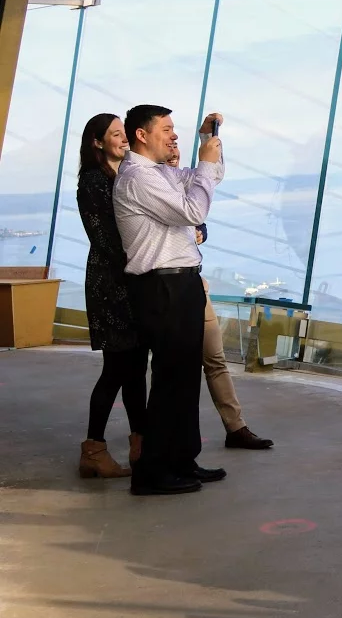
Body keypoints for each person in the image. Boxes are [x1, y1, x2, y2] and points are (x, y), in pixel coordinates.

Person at [112, 105, 226, 496]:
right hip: (161, 288)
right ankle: (152, 473)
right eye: (167, 129)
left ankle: (181, 459)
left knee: (183, 378)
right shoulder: (137, 178)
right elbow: (194, 209)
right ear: (141, 135)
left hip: (182, 284)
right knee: (167, 381)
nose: (173, 136)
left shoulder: (160, 173)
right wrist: (206, 163)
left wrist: (204, 144)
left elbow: (207, 177)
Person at [163, 150, 273, 450]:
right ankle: (158, 436)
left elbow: (202, 203)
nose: (174, 152)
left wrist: (210, 141)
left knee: (215, 358)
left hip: (195, 282)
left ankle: (236, 427)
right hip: (165, 288)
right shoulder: (150, 185)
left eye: (176, 150)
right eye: (167, 145)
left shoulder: (184, 181)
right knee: (171, 366)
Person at [75, 113, 146, 478]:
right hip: (112, 285)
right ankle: (93, 449)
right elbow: (105, 241)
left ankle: (139, 445)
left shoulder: (122, 177)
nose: (123, 139)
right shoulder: (93, 182)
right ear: (97, 142)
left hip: (128, 282)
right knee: (117, 368)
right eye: (115, 134)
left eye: (124, 133)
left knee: (134, 370)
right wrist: (144, 264)